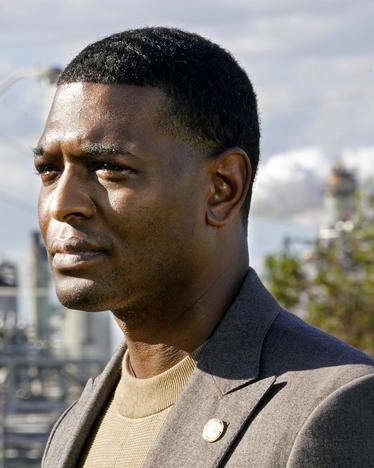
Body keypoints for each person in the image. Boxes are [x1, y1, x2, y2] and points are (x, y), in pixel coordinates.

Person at [34, 27, 374, 467]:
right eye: (47, 170)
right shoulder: (74, 426)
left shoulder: (335, 406)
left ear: (222, 188)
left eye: (107, 168)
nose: (63, 204)